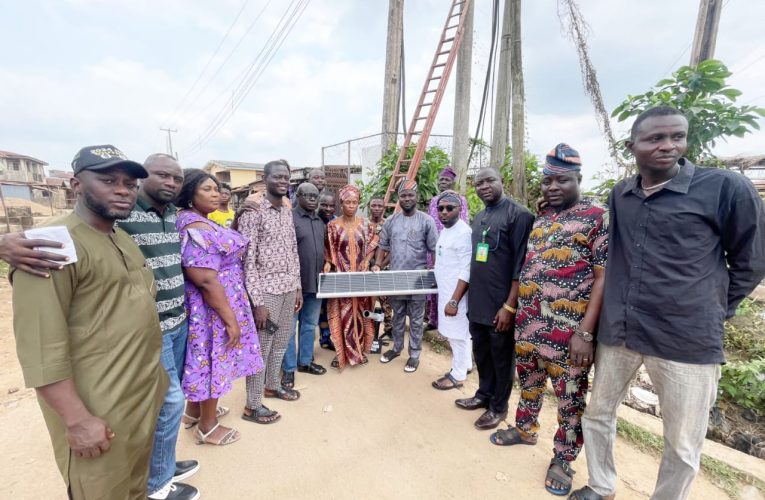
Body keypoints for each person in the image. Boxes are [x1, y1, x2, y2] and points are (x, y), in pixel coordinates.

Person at [570, 107, 765, 500]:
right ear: (633, 146)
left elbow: (752, 261)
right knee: (598, 414)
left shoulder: (725, 188)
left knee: (681, 441)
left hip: (686, 340)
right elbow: (615, 258)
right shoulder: (621, 195)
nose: (667, 146)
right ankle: (602, 485)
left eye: (676, 137)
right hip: (622, 331)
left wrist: (711, 308)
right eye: (655, 138)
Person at [3, 153, 202, 499]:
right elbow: (40, 349)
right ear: (76, 184)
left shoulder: (120, 236)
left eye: (129, 183)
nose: (123, 191)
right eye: (109, 181)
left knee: (136, 487)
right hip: (98, 408)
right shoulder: (51, 246)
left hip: (139, 397)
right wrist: (77, 420)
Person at [489, 145, 607, 497]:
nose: (553, 186)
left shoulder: (598, 216)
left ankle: (563, 458)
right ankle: (525, 429)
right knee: (529, 382)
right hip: (529, 324)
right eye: (548, 180)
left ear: (578, 180)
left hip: (568, 332)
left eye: (562, 180)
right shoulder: (543, 216)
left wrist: (586, 332)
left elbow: (604, 277)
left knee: (570, 399)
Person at [175, 169, 264, 446]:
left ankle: (193, 412)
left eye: (216, 189)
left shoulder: (201, 221)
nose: (216, 194)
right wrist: (230, 320)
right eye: (207, 189)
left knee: (203, 358)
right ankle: (207, 426)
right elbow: (204, 278)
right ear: (190, 193)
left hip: (218, 303)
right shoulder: (194, 228)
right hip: (212, 309)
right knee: (215, 359)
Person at [455, 167, 534, 430]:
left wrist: (510, 306)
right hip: (478, 302)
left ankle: (498, 407)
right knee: (482, 353)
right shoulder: (479, 218)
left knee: (501, 358)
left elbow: (520, 266)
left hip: (501, 305)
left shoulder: (519, 215)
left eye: (490, 180)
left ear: (502, 182)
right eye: (478, 183)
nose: (484, 186)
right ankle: (483, 395)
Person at [238, 160, 302, 425]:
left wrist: (297, 285)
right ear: (265, 179)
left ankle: (272, 385)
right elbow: (247, 260)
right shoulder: (253, 212)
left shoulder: (287, 210)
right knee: (262, 348)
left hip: (288, 289)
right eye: (277, 176)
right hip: (266, 293)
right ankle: (252, 406)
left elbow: (293, 250)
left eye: (286, 176)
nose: (283, 180)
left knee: (281, 342)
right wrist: (257, 302)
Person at [373, 180, 438, 373]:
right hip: (396, 278)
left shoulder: (427, 221)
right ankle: (396, 348)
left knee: (417, 319)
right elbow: (383, 246)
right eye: (403, 195)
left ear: (416, 196)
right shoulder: (391, 222)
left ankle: (414, 355)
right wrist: (377, 264)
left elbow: (434, 249)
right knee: (398, 316)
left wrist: (435, 271)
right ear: (398, 198)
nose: (407, 199)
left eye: (410, 195)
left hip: (418, 279)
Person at [324, 184, 379, 369]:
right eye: (347, 202)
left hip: (361, 278)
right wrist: (328, 264)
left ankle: (358, 351)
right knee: (343, 314)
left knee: (360, 313)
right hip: (342, 278)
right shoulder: (332, 226)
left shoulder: (365, 224)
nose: (351, 206)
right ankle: (342, 352)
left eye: (354, 202)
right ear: (341, 204)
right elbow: (329, 250)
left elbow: (372, 244)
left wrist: (368, 260)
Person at [282, 182, 327, 388]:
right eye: (307, 195)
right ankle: (289, 369)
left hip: (315, 284)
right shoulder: (289, 218)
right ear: (297, 196)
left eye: (315, 196)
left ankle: (305, 362)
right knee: (289, 329)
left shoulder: (319, 221)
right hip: (294, 286)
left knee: (309, 325)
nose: (312, 199)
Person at [431, 190, 473, 390]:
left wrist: (454, 300)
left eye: (449, 208)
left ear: (460, 209)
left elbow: (467, 269)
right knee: (460, 334)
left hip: (456, 295)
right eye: (440, 208)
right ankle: (465, 366)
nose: (444, 212)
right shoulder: (446, 230)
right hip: (445, 291)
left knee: (457, 335)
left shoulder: (464, 233)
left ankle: (457, 375)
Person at [426, 166, 469, 330]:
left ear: (453, 181)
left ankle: (451, 316)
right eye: (441, 179)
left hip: (453, 247)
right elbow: (431, 222)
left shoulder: (460, 200)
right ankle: (433, 319)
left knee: (450, 282)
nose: (443, 182)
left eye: (446, 179)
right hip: (436, 246)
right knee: (436, 282)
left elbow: (462, 222)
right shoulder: (434, 200)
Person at [368, 196, 393, 345]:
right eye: (374, 205)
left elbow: (392, 247)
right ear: (369, 207)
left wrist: (380, 265)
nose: (376, 208)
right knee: (368, 300)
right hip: (367, 267)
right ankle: (369, 329)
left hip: (384, 266)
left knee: (386, 300)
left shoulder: (388, 224)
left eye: (379, 206)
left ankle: (389, 329)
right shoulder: (363, 224)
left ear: (384, 208)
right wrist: (369, 263)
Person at [317, 191, 337, 349]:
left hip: (332, 271)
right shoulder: (313, 220)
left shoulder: (337, 222)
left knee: (329, 306)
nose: (328, 208)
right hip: (314, 270)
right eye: (324, 204)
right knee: (318, 308)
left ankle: (327, 338)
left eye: (331, 205)